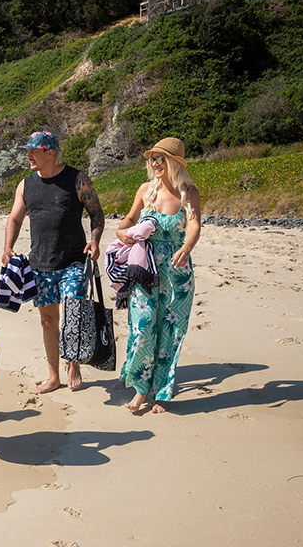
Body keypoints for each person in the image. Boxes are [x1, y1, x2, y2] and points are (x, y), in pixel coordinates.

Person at [2, 131, 105, 393]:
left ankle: (74, 365)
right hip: (40, 264)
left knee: (72, 316)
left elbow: (96, 213)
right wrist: (8, 247)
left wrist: (94, 240)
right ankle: (53, 376)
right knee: (48, 321)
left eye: (33, 151)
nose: (29, 156)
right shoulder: (26, 185)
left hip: (73, 261)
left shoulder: (77, 179)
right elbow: (15, 218)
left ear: (50, 152)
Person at [116, 137, 201, 414]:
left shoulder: (188, 192)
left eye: (161, 158)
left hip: (177, 271)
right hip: (146, 269)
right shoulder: (145, 190)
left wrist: (187, 247)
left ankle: (162, 392)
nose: (155, 163)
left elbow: (194, 225)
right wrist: (121, 233)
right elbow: (128, 221)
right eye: (152, 158)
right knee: (142, 327)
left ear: (174, 162)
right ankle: (141, 390)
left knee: (170, 332)